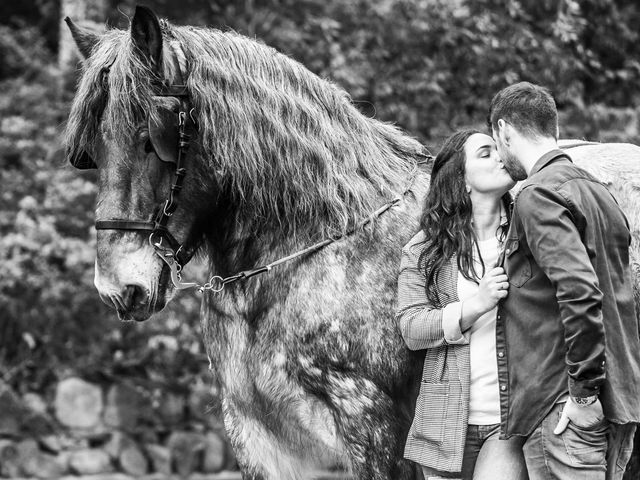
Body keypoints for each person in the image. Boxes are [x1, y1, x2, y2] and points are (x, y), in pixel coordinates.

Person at [488, 81, 640, 480]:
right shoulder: (597, 190)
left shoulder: (537, 194)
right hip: (619, 395)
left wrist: (583, 392)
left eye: (496, 143)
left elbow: (579, 291)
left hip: (566, 404)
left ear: (504, 131)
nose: (500, 158)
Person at [396, 130, 528, 480]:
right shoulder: (424, 249)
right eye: (486, 153)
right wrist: (476, 304)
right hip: (444, 420)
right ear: (461, 179)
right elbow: (411, 327)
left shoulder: (529, 232)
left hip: (510, 419)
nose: (501, 156)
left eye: (500, 149)